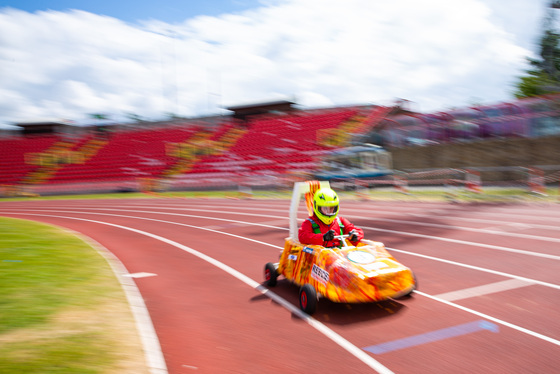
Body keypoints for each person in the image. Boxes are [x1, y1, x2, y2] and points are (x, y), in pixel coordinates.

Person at [298, 187, 364, 247]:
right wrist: (323, 237)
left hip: (338, 256)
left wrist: (355, 235)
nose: (329, 211)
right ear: (317, 207)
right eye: (325, 208)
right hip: (320, 257)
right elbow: (303, 237)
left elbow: (356, 230)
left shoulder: (340, 221)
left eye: (331, 208)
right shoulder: (309, 222)